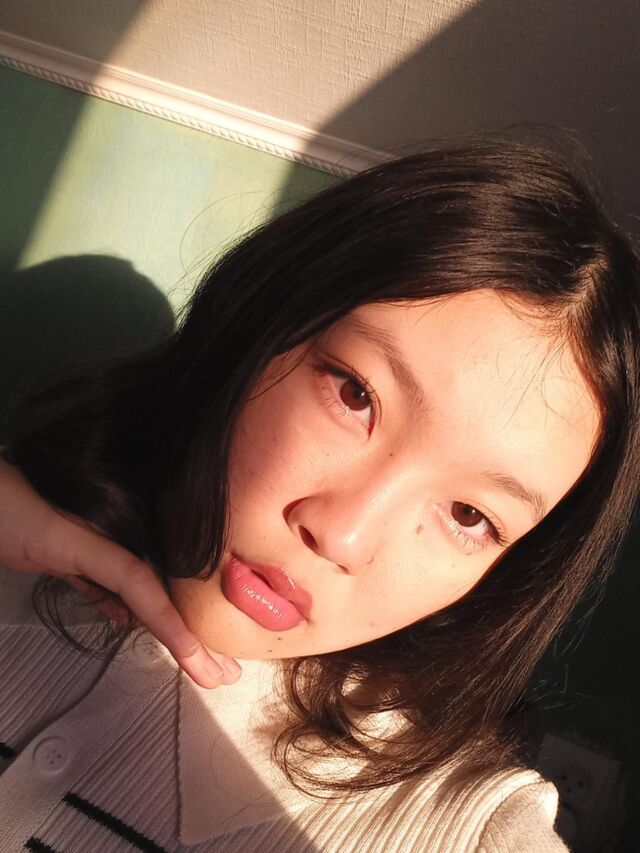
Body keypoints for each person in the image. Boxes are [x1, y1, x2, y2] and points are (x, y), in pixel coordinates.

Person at [1, 129, 639, 852]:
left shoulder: (466, 828)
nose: (342, 536)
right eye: (355, 393)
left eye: (469, 515)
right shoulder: (19, 541)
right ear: (259, 325)